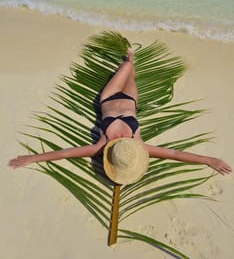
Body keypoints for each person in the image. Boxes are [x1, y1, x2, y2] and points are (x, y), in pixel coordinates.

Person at [8, 49, 232, 176]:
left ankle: (129, 59)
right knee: (130, 70)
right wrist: (208, 159)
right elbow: (173, 154)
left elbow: (67, 152)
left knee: (129, 71)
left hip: (109, 96)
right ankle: (129, 59)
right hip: (130, 102)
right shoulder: (139, 144)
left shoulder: (101, 146)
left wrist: (33, 158)